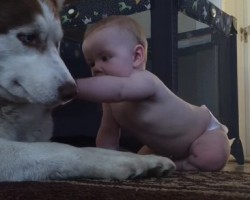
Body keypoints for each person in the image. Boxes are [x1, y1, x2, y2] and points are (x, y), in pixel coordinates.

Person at [76, 15, 230, 171]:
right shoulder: (109, 102)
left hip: (204, 132)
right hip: (162, 148)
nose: (96, 67)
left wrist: (71, 86)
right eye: (91, 63)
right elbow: (107, 134)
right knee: (140, 161)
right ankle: (165, 164)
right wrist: (105, 160)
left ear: (136, 56)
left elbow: (119, 90)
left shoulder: (146, 81)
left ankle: (180, 166)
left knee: (211, 157)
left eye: (104, 57)